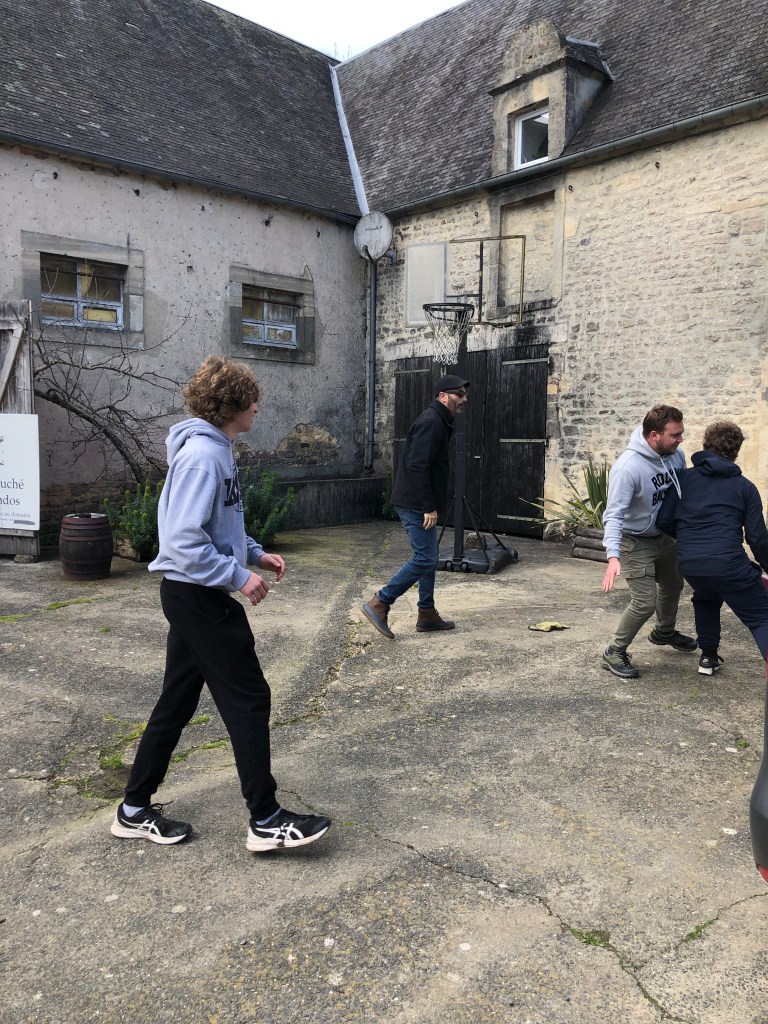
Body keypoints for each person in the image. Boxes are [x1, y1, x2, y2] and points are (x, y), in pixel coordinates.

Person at [110, 355, 330, 851]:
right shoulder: (203, 456)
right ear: (232, 405)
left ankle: (133, 809)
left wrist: (253, 552)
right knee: (249, 698)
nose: (257, 407)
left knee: (177, 701)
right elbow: (182, 541)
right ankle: (266, 820)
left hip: (193, 593)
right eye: (252, 400)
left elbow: (220, 523)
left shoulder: (219, 450)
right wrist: (238, 577)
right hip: (197, 595)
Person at [657, 420, 768, 675]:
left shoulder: (683, 479)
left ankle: (707, 657)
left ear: (706, 445)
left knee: (706, 597)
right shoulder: (745, 487)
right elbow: (757, 538)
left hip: (690, 563)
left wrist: (689, 538)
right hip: (728, 563)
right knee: (762, 616)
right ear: (736, 450)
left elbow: (663, 520)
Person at [362, 374, 469, 639]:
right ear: (443, 396)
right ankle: (380, 602)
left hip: (418, 501)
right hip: (415, 503)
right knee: (425, 559)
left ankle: (427, 613)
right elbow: (417, 466)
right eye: (458, 394)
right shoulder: (431, 422)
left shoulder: (439, 421)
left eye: (464, 394)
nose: (464, 399)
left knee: (429, 557)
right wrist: (428, 506)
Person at [601, 404, 697, 678]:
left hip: (664, 535)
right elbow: (613, 515)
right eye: (675, 435)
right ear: (654, 435)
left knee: (673, 585)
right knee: (644, 602)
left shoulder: (676, 456)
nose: (680, 440)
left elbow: (681, 493)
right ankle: (613, 651)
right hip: (634, 540)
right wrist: (613, 556)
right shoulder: (628, 468)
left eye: (681, 433)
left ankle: (664, 632)